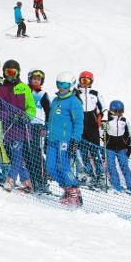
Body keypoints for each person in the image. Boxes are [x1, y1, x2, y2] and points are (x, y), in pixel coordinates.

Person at [46, 71, 84, 206]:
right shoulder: (56, 100)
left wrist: (75, 138)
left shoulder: (74, 101)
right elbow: (51, 119)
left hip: (65, 140)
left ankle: (74, 192)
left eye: (64, 84)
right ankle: (67, 189)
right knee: (50, 166)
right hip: (52, 139)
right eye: (59, 84)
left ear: (71, 85)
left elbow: (79, 122)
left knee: (64, 165)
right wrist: (46, 129)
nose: (61, 87)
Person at [0, 60, 36, 192]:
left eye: (13, 72)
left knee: (17, 154)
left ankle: (10, 179)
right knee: (17, 155)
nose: (10, 75)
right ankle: (27, 183)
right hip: (8, 128)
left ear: (18, 72)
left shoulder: (24, 88)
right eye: (8, 72)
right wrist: (8, 116)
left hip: (21, 128)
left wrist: (27, 116)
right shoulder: (2, 89)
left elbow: (31, 108)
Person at [75, 70, 105, 188]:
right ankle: (88, 174)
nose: (85, 83)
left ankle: (100, 175)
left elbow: (104, 108)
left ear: (91, 82)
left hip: (92, 124)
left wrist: (104, 121)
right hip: (81, 123)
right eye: (83, 80)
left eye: (87, 81)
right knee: (83, 150)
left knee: (95, 150)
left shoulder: (95, 93)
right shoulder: (76, 93)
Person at [25, 69, 50, 193]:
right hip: (25, 125)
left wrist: (46, 127)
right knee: (27, 153)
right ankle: (32, 180)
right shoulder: (25, 90)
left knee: (36, 153)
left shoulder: (43, 94)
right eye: (34, 78)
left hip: (37, 126)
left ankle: (42, 181)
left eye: (38, 79)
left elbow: (49, 112)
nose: (36, 81)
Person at [103, 100, 131, 194]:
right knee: (111, 166)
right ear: (112, 110)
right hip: (110, 147)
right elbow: (103, 135)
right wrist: (103, 148)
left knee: (124, 166)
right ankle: (116, 187)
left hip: (122, 147)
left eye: (120, 111)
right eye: (116, 111)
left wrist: (129, 148)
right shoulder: (107, 121)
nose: (118, 113)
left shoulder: (124, 121)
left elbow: (129, 135)